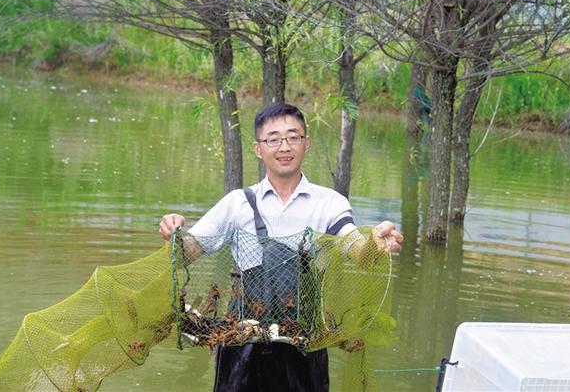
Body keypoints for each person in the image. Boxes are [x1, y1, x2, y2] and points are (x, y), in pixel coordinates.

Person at [158, 103, 403, 392]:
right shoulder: (238, 203)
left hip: (303, 343)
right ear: (258, 148)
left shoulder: (328, 203)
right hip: (242, 341)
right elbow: (188, 252)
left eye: (293, 137)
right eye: (273, 139)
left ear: (306, 143)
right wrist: (173, 233)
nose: (284, 146)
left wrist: (375, 243)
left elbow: (356, 248)